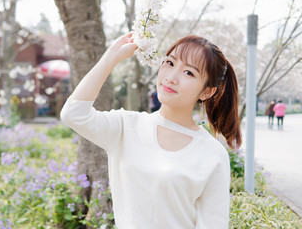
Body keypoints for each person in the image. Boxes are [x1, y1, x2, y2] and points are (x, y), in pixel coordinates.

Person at [60, 33, 242, 228]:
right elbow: (73, 114)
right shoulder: (126, 127)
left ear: (207, 92)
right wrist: (112, 56)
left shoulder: (212, 154)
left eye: (189, 73)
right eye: (170, 63)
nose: (171, 78)